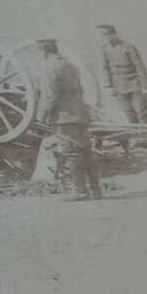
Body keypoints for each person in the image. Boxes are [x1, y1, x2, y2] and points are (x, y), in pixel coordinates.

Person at [39, 38, 101, 201]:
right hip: (80, 112)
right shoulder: (70, 65)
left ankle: (80, 191)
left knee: (72, 153)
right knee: (86, 151)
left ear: (43, 51)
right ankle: (96, 190)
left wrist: (41, 115)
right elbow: (80, 89)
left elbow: (49, 96)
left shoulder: (49, 67)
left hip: (64, 116)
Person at [99, 24, 147, 138]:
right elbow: (105, 68)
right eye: (103, 35)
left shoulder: (128, 47)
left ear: (114, 34)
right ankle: (140, 141)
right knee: (130, 114)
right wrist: (109, 87)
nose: (105, 37)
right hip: (118, 85)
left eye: (107, 34)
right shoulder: (105, 49)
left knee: (143, 113)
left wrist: (145, 86)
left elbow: (139, 66)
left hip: (134, 83)